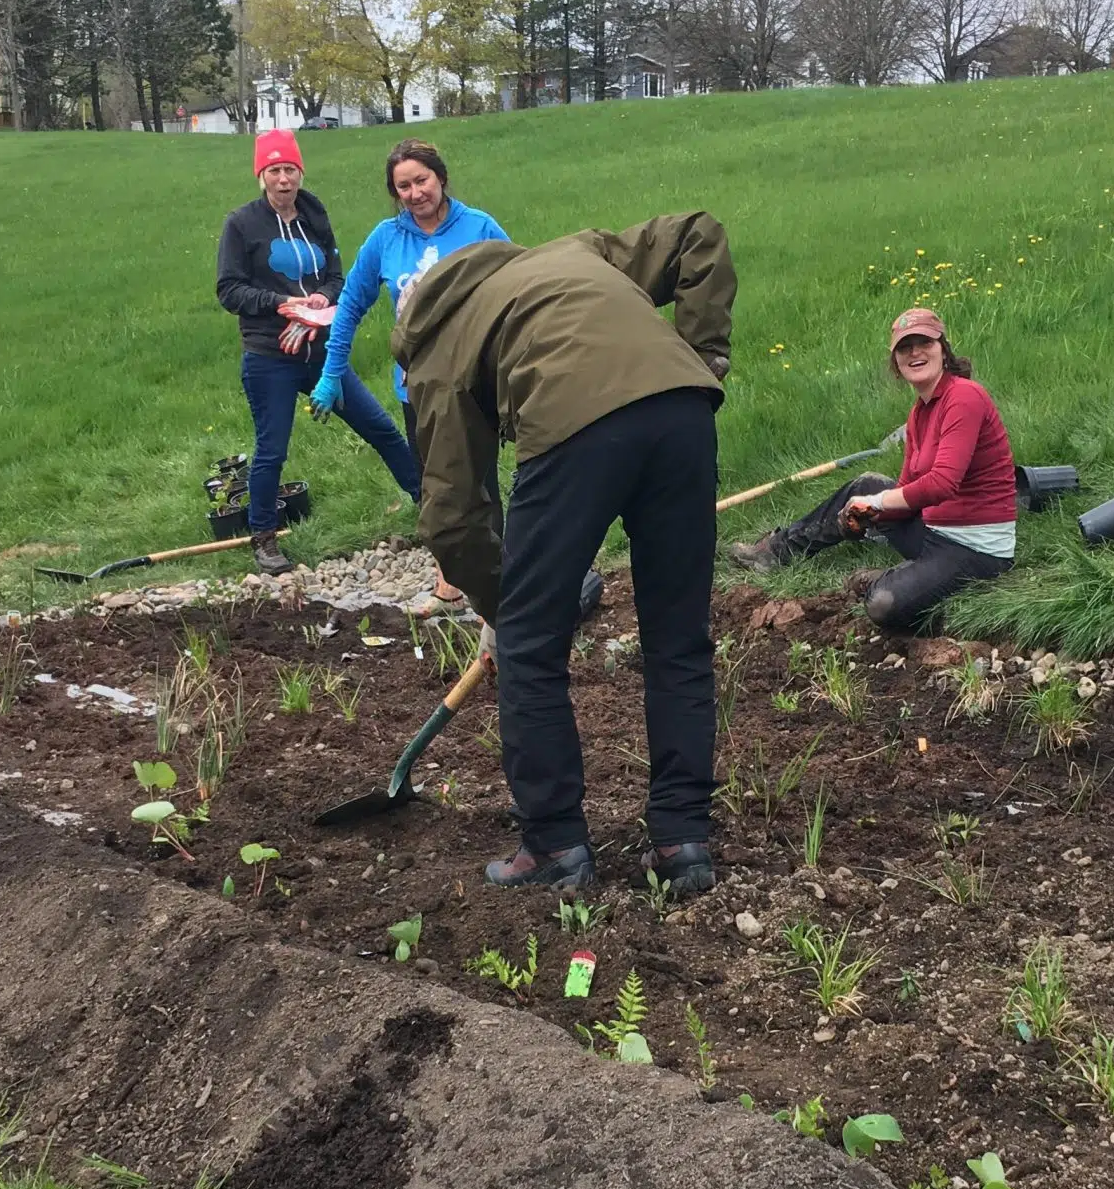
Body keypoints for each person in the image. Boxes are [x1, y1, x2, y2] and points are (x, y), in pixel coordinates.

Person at [393, 213, 734, 897]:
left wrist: (500, 606)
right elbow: (700, 232)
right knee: (677, 637)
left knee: (530, 648)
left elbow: (452, 516)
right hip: (684, 412)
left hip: (576, 428)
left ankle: (553, 845)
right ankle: (681, 838)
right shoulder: (574, 250)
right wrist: (703, 353)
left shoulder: (435, 349)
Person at [725, 306, 1016, 633]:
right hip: (935, 530)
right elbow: (909, 485)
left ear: (943, 350)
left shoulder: (963, 397)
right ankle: (777, 552)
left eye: (925, 343)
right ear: (895, 362)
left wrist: (878, 504)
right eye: (905, 348)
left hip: (974, 548)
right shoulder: (919, 413)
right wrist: (864, 516)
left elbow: (942, 484)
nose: (915, 353)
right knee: (867, 485)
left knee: (882, 604)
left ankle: (892, 578)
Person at [215, 129, 423, 576]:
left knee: (381, 429)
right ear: (261, 176)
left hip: (320, 352)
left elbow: (335, 276)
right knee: (272, 450)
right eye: (274, 171)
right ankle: (264, 539)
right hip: (270, 355)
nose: (284, 180)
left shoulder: (313, 212)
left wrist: (320, 301)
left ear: (300, 171)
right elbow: (229, 290)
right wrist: (280, 305)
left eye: (290, 169)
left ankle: (430, 506)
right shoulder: (241, 224)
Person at [311, 139, 509, 601]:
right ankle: (450, 578)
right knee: (432, 487)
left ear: (440, 177)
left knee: (479, 483)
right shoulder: (385, 239)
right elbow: (350, 307)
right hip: (415, 389)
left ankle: (494, 590)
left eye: (421, 180)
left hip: (472, 384)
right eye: (403, 186)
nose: (415, 192)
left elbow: (521, 294)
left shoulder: (480, 228)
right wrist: (332, 370)